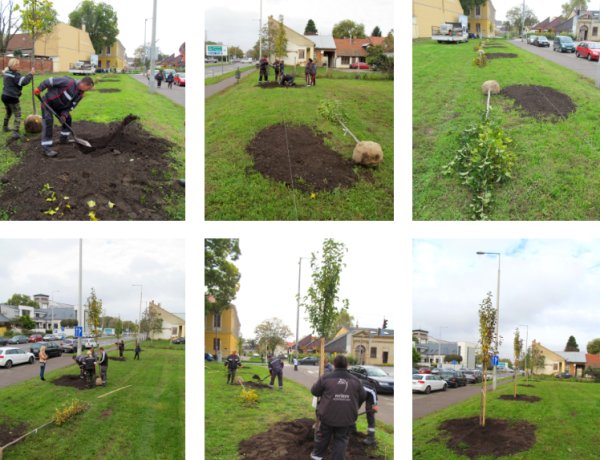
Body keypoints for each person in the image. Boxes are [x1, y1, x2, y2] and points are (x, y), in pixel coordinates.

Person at [310, 355, 366, 460]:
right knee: (341, 440)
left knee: (323, 437)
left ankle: (316, 456)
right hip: (347, 418)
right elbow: (363, 396)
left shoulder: (326, 377)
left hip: (327, 416)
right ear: (347, 365)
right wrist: (354, 407)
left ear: (334, 365)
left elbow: (314, 391)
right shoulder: (356, 380)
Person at [34, 76, 94, 157]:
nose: (89, 90)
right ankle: (46, 148)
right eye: (89, 88)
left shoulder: (80, 95)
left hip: (60, 108)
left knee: (68, 119)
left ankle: (63, 139)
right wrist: (39, 88)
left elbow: (71, 107)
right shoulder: (68, 82)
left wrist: (64, 115)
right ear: (84, 84)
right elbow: (50, 81)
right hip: (48, 103)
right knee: (48, 121)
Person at [2, 58, 34, 141]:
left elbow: (14, 83)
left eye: (18, 64)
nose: (18, 66)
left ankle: (5, 127)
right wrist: (30, 74)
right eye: (16, 64)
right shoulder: (15, 75)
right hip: (12, 97)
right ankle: (15, 132)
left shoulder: (7, 73)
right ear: (12, 65)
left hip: (4, 96)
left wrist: (18, 91)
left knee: (9, 112)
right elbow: (23, 81)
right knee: (18, 114)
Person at [360, 381, 379, 446]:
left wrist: (374, 405)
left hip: (370, 394)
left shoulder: (364, 388)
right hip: (356, 397)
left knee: (370, 413)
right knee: (351, 410)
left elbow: (371, 391)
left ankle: (371, 437)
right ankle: (351, 428)